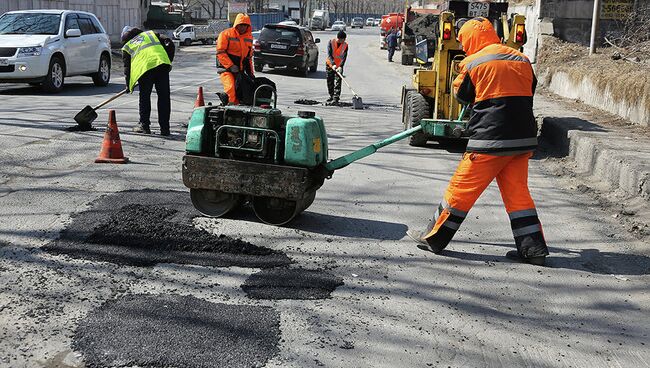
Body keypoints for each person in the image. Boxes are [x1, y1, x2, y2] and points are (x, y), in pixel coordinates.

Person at [406, 17, 549, 266]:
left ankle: (434, 238)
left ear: (472, 38)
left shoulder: (473, 62)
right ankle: (533, 250)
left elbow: (462, 95)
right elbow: (529, 90)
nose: (462, 46)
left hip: (490, 141)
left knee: (461, 189)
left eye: (463, 40)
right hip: (522, 140)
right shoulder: (522, 59)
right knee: (518, 195)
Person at [121, 26, 175, 135]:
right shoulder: (151, 34)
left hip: (145, 70)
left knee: (144, 97)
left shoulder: (127, 46)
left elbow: (128, 69)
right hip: (162, 65)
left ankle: (144, 125)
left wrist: (128, 85)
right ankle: (165, 129)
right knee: (164, 97)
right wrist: (168, 61)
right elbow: (170, 43)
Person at [216, 13, 254, 105]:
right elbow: (220, 52)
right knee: (231, 88)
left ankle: (238, 109)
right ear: (236, 24)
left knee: (243, 90)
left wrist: (251, 74)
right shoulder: (226, 34)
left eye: (245, 25)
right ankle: (230, 110)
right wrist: (231, 65)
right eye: (241, 25)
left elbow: (249, 58)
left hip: (239, 71)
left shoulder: (249, 37)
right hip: (226, 69)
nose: (243, 27)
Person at [325, 31, 348, 104]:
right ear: (340, 38)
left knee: (338, 81)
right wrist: (333, 64)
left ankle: (336, 97)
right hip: (330, 64)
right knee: (330, 80)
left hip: (339, 66)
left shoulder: (345, 45)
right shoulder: (331, 42)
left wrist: (341, 66)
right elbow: (329, 55)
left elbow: (344, 57)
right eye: (343, 39)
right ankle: (331, 96)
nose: (344, 41)